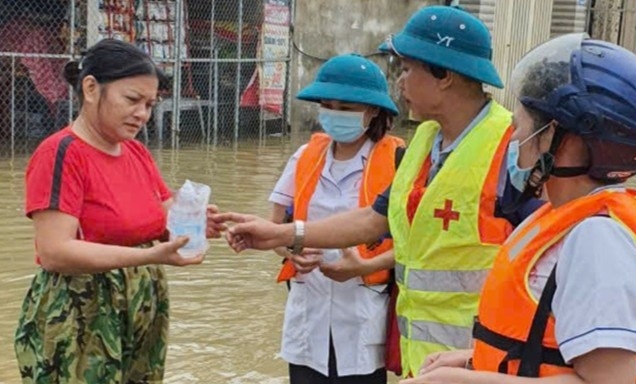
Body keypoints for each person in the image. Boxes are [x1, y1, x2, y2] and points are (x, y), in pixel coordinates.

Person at [215, 5, 544, 378]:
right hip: (420, 355)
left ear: (444, 75)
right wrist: (282, 233)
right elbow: (376, 218)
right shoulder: (425, 142)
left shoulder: (514, 148)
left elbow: (546, 260)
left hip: (482, 361)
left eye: (406, 69)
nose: (399, 83)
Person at [399, 33, 636, 384]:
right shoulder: (560, 218)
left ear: (564, 139)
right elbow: (548, 348)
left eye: (522, 126)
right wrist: (472, 360)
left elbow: (607, 381)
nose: (514, 139)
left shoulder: (599, 239)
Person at [14, 39, 224, 383]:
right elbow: (55, 252)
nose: (142, 114)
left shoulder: (135, 152)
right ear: (92, 88)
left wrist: (198, 223)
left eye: (150, 104)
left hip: (141, 301)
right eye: (132, 100)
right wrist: (150, 256)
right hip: (82, 310)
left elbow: (162, 218)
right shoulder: (61, 153)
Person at [269, 53, 404, 384]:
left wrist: (365, 266)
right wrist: (291, 252)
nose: (334, 115)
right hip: (307, 307)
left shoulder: (400, 160)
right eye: (327, 106)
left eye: (346, 108)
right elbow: (275, 229)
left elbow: (416, 246)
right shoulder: (305, 156)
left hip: (363, 308)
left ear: (373, 111)